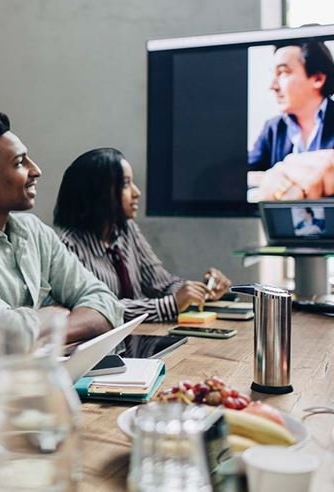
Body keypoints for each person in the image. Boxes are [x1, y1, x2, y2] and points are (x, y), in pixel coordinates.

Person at [0, 111, 123, 345]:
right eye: (19, 163)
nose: (36, 170)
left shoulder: (34, 230)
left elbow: (107, 303)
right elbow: (0, 337)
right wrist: (56, 314)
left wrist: (55, 326)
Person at [54, 148, 232, 323]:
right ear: (97, 193)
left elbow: (161, 283)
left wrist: (199, 292)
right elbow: (102, 309)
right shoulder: (67, 247)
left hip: (141, 337)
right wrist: (172, 304)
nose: (136, 192)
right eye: (125, 184)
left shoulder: (126, 229)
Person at [249, 40, 334, 200]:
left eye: (283, 73)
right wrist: (272, 178)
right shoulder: (273, 128)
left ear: (317, 78)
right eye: (273, 74)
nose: (273, 86)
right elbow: (241, 174)